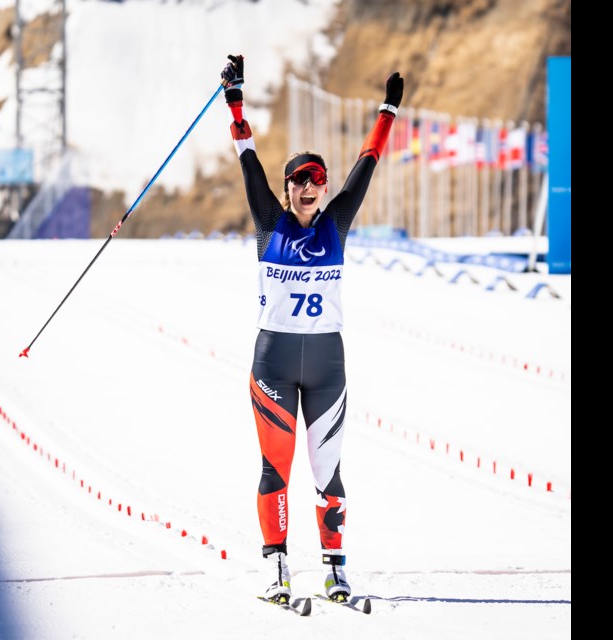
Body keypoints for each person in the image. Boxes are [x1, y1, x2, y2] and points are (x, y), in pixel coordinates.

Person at [219, 54, 404, 604]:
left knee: (329, 473)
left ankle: (335, 570)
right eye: (300, 179)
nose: (310, 187)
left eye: (317, 180)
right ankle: (275, 568)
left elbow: (367, 164)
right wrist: (234, 97)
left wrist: (388, 108)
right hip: (273, 361)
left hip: (327, 366)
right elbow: (247, 154)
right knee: (275, 471)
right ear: (287, 188)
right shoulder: (269, 222)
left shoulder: (337, 224)